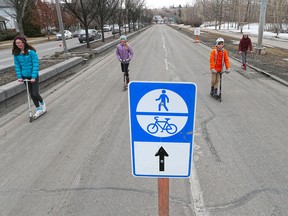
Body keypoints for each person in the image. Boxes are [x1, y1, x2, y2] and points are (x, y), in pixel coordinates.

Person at [12, 36, 46, 118]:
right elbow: (17, 66)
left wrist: (33, 77)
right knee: (31, 94)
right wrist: (20, 77)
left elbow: (35, 64)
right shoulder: (16, 54)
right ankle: (38, 109)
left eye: (20, 42)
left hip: (33, 76)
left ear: (24, 42)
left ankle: (42, 102)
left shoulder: (31, 52)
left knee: (35, 93)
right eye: (17, 43)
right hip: (24, 76)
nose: (18, 44)